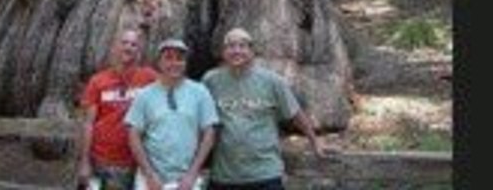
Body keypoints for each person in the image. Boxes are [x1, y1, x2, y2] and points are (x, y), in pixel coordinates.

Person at [201, 28, 324, 190]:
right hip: (224, 176)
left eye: (242, 46)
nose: (236, 51)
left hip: (266, 174)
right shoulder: (211, 81)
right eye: (231, 46)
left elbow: (295, 114)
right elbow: (198, 118)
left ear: (252, 51)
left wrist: (314, 141)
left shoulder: (272, 82)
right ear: (224, 52)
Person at [125, 38, 219, 190]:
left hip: (187, 179)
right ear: (159, 62)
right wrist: (149, 174)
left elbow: (209, 133)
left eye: (179, 59)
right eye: (168, 58)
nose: (174, 63)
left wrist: (192, 173)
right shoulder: (145, 95)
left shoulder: (200, 92)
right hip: (151, 179)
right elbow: (133, 135)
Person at [78, 29, 160, 190]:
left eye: (133, 44)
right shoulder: (98, 81)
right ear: (115, 47)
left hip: (132, 162)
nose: (128, 47)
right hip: (99, 159)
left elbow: (172, 88)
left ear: (139, 51)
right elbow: (88, 123)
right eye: (124, 43)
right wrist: (84, 162)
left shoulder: (149, 78)